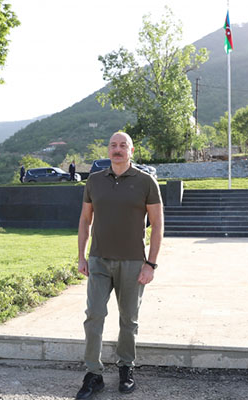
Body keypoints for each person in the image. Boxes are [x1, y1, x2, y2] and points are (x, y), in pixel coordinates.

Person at [75, 131, 163, 399]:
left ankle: (126, 368)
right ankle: (93, 374)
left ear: (131, 151)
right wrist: (81, 256)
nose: (118, 149)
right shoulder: (94, 181)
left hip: (133, 262)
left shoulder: (146, 182)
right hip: (99, 260)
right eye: (113, 145)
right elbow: (85, 220)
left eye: (123, 145)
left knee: (128, 319)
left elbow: (158, 225)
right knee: (94, 315)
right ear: (108, 149)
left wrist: (151, 264)